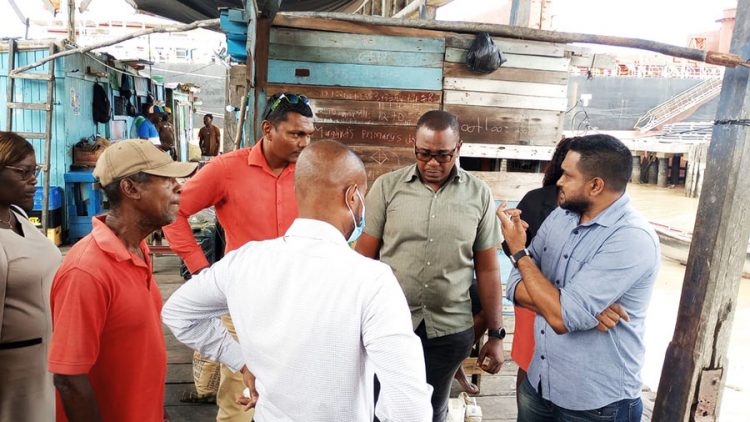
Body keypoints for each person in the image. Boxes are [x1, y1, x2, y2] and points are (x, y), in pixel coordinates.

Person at [162, 140, 433, 422]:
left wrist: (240, 360)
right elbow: (408, 403)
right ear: (353, 197)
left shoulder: (243, 262)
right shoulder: (371, 281)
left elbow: (178, 313)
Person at [162, 92, 314, 422]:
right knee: (239, 399)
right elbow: (174, 212)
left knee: (295, 394)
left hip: (299, 303)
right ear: (268, 129)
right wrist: (201, 269)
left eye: (308, 135)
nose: (304, 143)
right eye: (296, 134)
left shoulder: (311, 172)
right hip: (243, 303)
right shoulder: (226, 169)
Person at [356, 110, 506, 422]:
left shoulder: (479, 194)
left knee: (432, 408)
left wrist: (495, 334)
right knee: (377, 405)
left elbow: (489, 269)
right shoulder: (387, 187)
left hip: (450, 331)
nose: (433, 164)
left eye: (443, 155)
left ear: (459, 148)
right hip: (389, 326)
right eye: (424, 154)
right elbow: (364, 259)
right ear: (414, 147)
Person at [501, 134, 659, 422]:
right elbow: (513, 286)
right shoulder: (562, 217)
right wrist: (577, 310)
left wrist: (519, 253)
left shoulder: (631, 238)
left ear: (595, 185)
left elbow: (561, 317)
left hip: (596, 403)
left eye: (567, 175)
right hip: (540, 381)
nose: (559, 181)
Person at [48, 139, 197, 422]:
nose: (179, 187)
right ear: (130, 188)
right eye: (167, 180)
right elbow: (68, 378)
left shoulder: (137, 249)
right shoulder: (86, 271)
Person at [453, 137, 573, 396]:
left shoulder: (542, 199)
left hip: (538, 294)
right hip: (536, 295)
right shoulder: (540, 199)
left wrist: (518, 247)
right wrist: (519, 243)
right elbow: (511, 248)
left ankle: (456, 363)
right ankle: (456, 363)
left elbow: (509, 251)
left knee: (529, 362)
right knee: (534, 362)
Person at [0, 132, 62, 421]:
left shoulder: (16, 215)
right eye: (23, 172)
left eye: (34, 171)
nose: (33, 179)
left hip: (41, 365)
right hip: (13, 375)